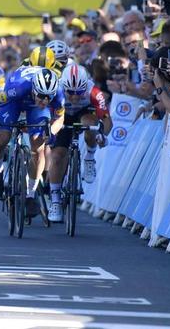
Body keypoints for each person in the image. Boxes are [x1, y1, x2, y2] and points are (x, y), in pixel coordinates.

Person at [0, 67, 65, 218]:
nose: (45, 101)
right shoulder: (18, 89)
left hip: (34, 109)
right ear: (34, 89)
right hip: (15, 101)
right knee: (2, 137)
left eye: (49, 97)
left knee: (38, 146)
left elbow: (60, 118)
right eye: (41, 96)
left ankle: (31, 193)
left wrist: (52, 134)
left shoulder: (58, 95)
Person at [47, 63, 111, 222]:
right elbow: (46, 116)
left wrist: (102, 135)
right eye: (70, 92)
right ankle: (55, 200)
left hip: (84, 113)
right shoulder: (55, 90)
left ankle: (89, 157)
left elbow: (107, 120)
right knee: (57, 156)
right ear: (63, 86)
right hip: (62, 115)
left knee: (92, 124)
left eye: (79, 92)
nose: (75, 97)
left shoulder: (94, 92)